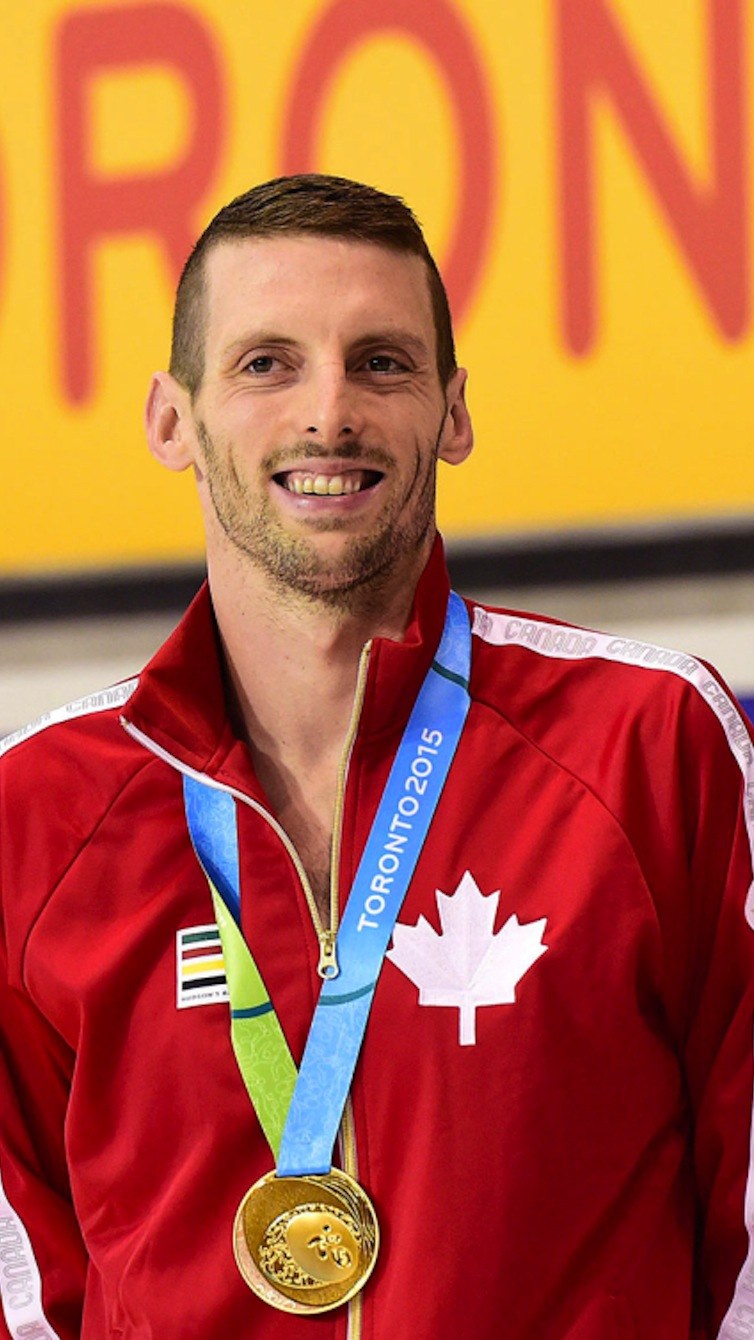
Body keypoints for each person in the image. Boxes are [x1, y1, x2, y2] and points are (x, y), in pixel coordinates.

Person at [1, 174, 753, 1340]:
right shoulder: (35, 814)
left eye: (382, 362)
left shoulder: (651, 744)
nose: (329, 414)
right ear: (169, 418)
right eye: (267, 363)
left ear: (453, 412)